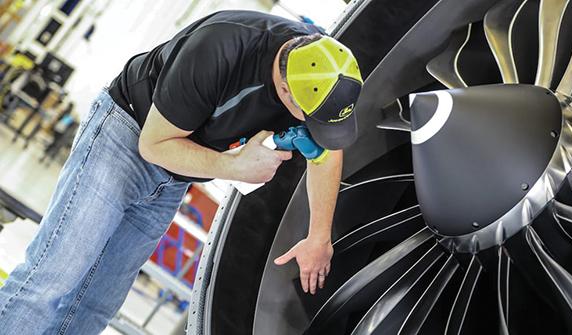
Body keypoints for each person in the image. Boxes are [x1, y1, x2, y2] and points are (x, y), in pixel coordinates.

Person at [0, 10, 362, 334]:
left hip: (176, 175)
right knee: (51, 279)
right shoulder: (221, 47)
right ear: (285, 89)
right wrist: (233, 167)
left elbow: (327, 154)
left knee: (96, 303)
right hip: (126, 137)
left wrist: (319, 237)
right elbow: (153, 145)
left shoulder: (323, 69)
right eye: (309, 118)